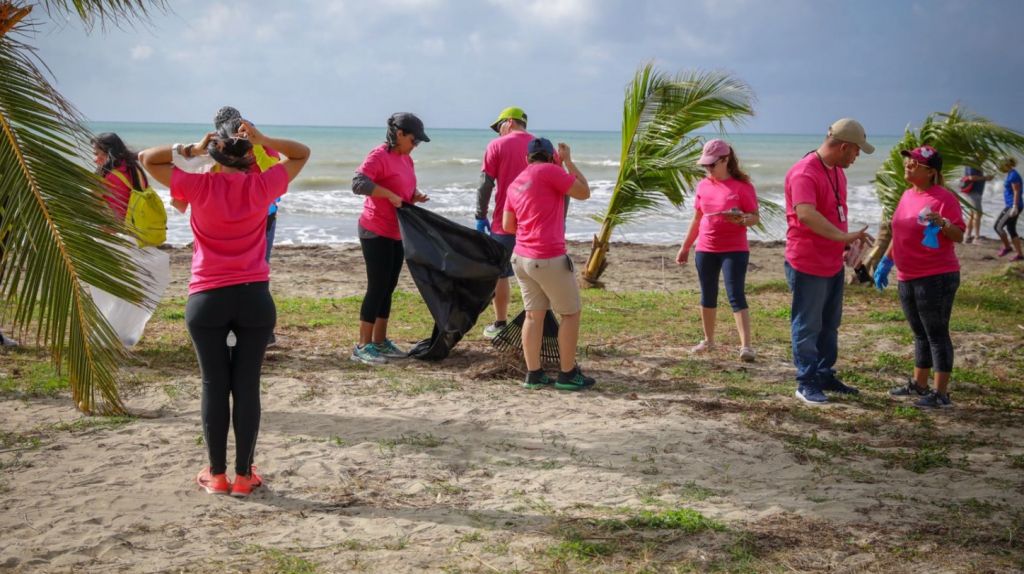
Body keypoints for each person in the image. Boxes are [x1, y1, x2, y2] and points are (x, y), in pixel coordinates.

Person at [139, 121, 310, 497]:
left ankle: (217, 475)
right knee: (246, 386)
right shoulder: (262, 185)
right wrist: (264, 140)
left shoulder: (199, 185)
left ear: (216, 158)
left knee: (214, 385)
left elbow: (146, 159)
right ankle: (244, 477)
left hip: (207, 299)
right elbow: (301, 153)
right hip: (254, 297)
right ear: (250, 160)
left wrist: (192, 150)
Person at [171, 107, 285, 346]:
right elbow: (278, 168)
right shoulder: (254, 141)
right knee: (256, 268)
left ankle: (225, 326)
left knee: (218, 267)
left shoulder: (219, 148)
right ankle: (258, 329)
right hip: (262, 210)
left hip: (222, 213)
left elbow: (193, 176)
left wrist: (193, 152)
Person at [784, 118, 875, 405]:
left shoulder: (837, 172)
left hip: (832, 261)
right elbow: (806, 214)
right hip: (807, 261)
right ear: (844, 146)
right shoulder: (804, 172)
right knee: (808, 323)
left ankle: (824, 373)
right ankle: (806, 381)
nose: (857, 157)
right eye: (857, 151)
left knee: (829, 324)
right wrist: (842, 236)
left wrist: (848, 242)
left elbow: (834, 212)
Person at [875, 146, 964, 408]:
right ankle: (919, 384)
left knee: (936, 333)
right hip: (907, 274)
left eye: (915, 163)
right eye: (908, 162)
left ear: (931, 172)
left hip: (936, 275)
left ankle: (941, 394)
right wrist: (886, 261)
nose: (908, 166)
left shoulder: (943, 198)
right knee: (919, 333)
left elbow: (958, 234)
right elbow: (900, 233)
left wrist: (943, 223)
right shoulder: (907, 195)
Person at [504, 138, 594, 390]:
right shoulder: (552, 171)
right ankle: (567, 374)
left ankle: (534, 374)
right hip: (547, 257)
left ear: (527, 159)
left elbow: (508, 225)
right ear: (551, 157)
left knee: (533, 316)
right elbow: (584, 192)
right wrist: (568, 162)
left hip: (521, 258)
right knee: (570, 313)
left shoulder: (516, 182)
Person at [349, 113, 431, 365]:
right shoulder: (378, 156)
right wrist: (387, 194)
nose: (415, 146)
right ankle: (362, 346)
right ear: (399, 134)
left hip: (397, 231)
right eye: (413, 140)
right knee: (377, 286)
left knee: (389, 286)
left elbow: (403, 187)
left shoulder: (406, 159)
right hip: (375, 230)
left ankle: (381, 341)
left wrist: (413, 195)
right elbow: (358, 183)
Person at [676, 139, 759, 362]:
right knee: (707, 293)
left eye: (712, 164)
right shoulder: (703, 186)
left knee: (735, 294)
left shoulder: (743, 187)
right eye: (706, 165)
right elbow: (696, 219)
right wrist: (685, 247)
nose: (708, 169)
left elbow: (754, 217)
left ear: (725, 160)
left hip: (734, 249)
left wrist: (742, 219)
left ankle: (746, 347)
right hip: (706, 248)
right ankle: (708, 340)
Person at [477, 106, 535, 339]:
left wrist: (480, 215)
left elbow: (485, 184)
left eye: (499, 126)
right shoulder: (541, 146)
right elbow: (560, 186)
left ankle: (500, 323)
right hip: (535, 222)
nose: (498, 132)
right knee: (534, 274)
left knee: (500, 273)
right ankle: (535, 323)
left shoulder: (496, 146)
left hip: (504, 222)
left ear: (509, 122)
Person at [994, 157, 1023, 261]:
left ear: (1006, 165)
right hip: (1012, 205)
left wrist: (1014, 206)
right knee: (1011, 229)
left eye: (1001, 166)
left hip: (1013, 206)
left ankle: (1007, 247)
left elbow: (1017, 191)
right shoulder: (1011, 174)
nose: (1000, 168)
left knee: (998, 227)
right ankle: (1020, 255)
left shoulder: (1013, 175)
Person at [959, 165, 992, 243]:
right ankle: (976, 237)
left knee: (973, 214)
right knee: (978, 213)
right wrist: (985, 178)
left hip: (975, 192)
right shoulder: (972, 163)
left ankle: (967, 236)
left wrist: (986, 178)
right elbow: (971, 177)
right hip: (973, 192)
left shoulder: (976, 162)